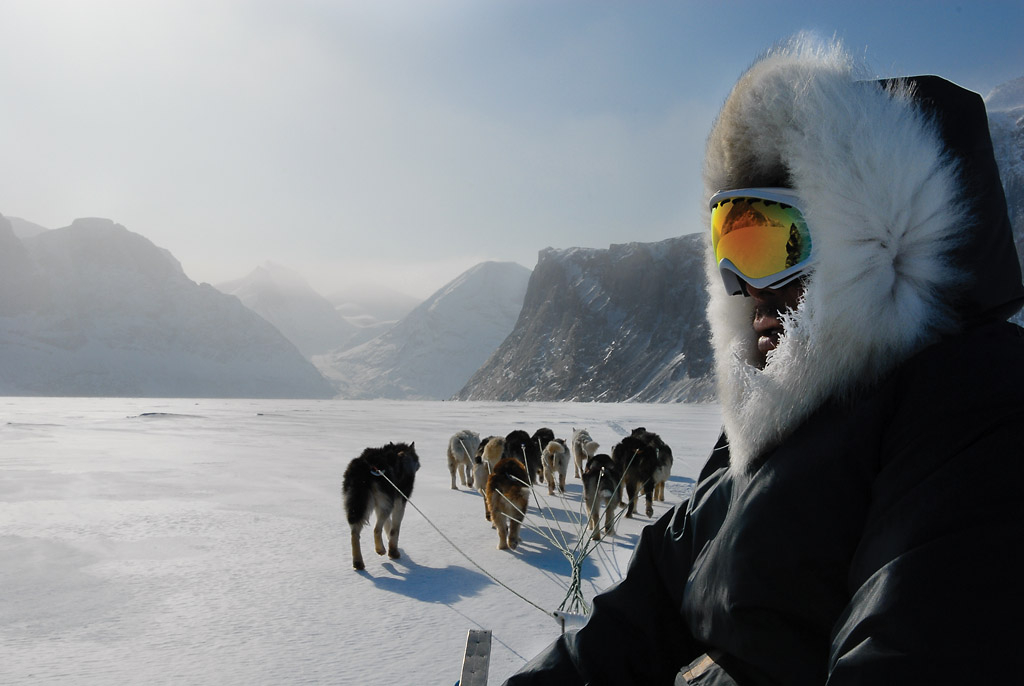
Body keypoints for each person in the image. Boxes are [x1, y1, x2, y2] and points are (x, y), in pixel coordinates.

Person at [503, 38, 1024, 685]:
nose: (743, 284)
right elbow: (661, 589)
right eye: (730, 243)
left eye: (773, 244)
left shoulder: (978, 404)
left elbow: (920, 645)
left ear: (872, 243)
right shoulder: (786, 404)